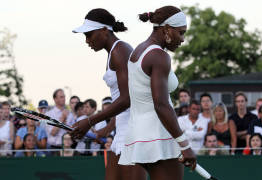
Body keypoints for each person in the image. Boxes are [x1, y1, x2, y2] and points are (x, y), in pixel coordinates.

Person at [118, 6, 196, 180]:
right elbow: (161, 104)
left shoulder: (138, 50)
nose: (182, 39)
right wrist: (184, 145)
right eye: (181, 33)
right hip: (157, 134)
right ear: (167, 29)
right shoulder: (159, 56)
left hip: (139, 134)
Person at [71, 8, 146, 180]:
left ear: (105, 31)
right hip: (123, 128)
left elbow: (127, 99)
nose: (87, 40)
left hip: (135, 131)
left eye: (89, 35)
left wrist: (89, 121)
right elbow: (121, 99)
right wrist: (106, 129)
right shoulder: (115, 51)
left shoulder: (120, 51)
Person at [45, 89, 72, 153]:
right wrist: (62, 119)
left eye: (64, 96)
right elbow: (53, 133)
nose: (64, 99)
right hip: (53, 149)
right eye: (61, 97)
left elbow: (72, 133)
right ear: (55, 99)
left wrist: (66, 124)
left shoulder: (70, 114)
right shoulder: (49, 114)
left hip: (67, 149)